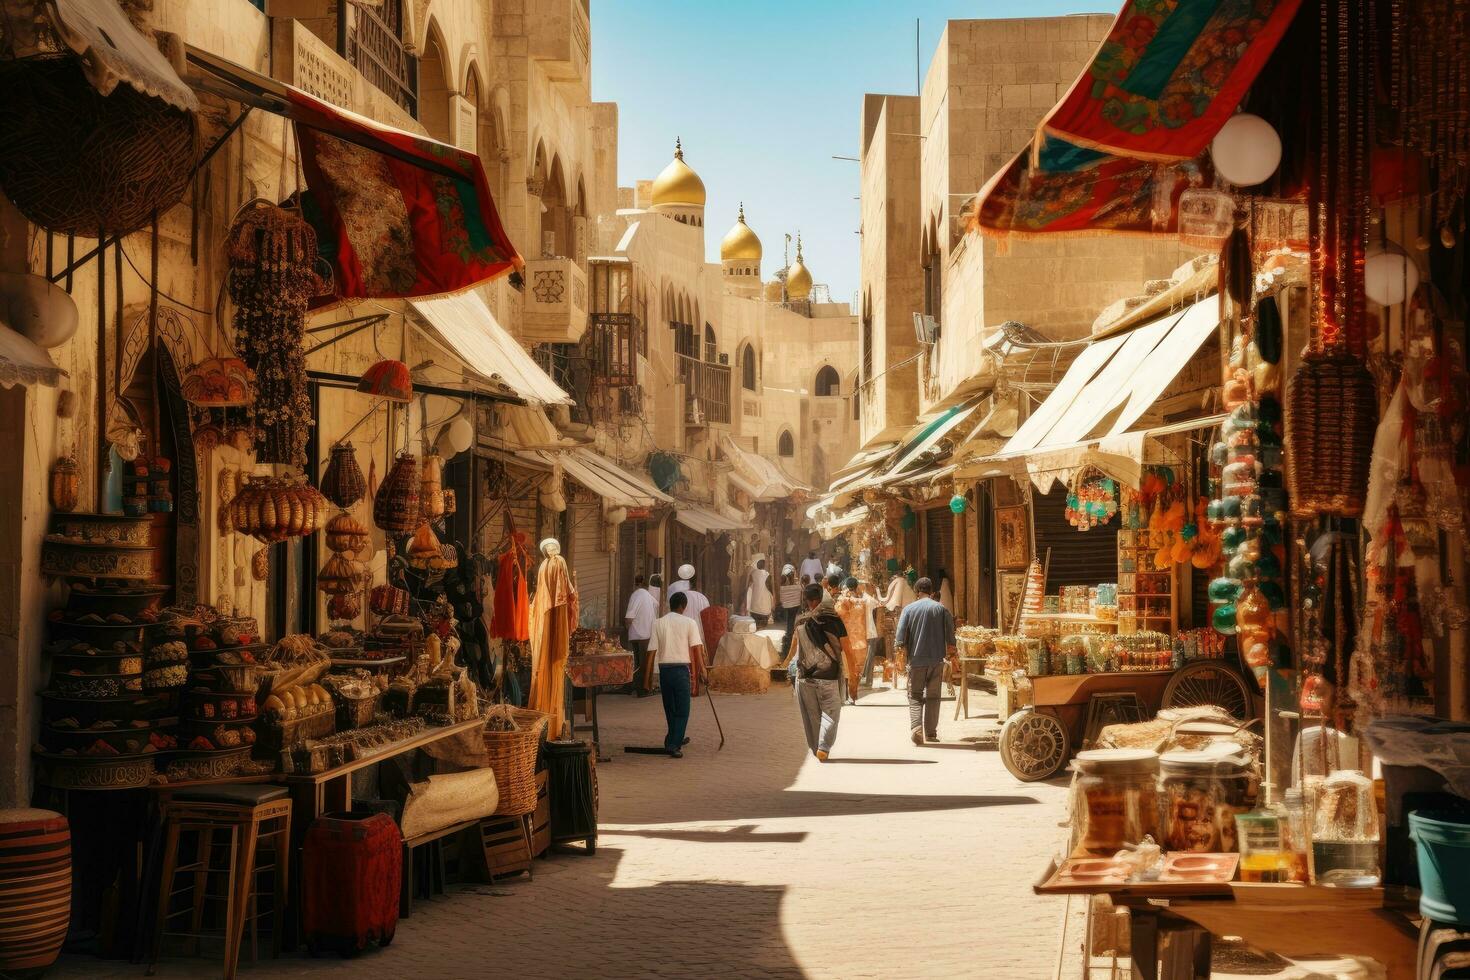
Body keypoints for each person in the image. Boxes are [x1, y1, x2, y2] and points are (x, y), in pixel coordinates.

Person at [780, 583, 846, 762]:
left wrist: (784, 664)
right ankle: (823, 747)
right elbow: (845, 647)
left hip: (804, 676)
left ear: (806, 600)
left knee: (812, 715)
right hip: (828, 676)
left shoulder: (800, 620)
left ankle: (816, 747)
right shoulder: (833, 619)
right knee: (831, 712)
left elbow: (794, 647)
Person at [893, 577, 956, 746]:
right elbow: (951, 636)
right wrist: (952, 654)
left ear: (917, 591)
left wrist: (900, 656)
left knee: (915, 695)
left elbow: (899, 637)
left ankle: (916, 729)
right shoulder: (941, 609)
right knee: (934, 696)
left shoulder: (909, 609)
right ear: (931, 591)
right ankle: (931, 732)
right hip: (937, 660)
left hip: (916, 660)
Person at [646, 591, 704, 758]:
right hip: (680, 670)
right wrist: (703, 671)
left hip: (665, 671)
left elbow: (651, 652)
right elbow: (697, 648)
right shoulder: (689, 622)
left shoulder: (658, 623)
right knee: (683, 709)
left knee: (670, 707)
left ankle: (674, 737)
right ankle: (673, 744)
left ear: (670, 605)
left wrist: (648, 678)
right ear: (683, 607)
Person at [833, 577, 876, 704]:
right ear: (857, 586)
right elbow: (875, 602)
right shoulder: (863, 601)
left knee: (847, 670)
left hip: (846, 641)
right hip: (861, 641)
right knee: (857, 670)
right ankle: (853, 694)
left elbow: (837, 612)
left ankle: (847, 695)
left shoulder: (844, 600)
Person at [623, 575, 657, 697]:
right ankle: (642, 689)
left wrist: (628, 629)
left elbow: (629, 617)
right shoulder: (647, 595)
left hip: (638, 634)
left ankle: (641, 689)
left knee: (640, 664)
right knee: (644, 664)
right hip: (645, 635)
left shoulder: (637, 595)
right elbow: (656, 605)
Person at [859, 580, 886, 690]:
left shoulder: (863, 599)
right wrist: (878, 592)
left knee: (867, 656)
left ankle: (866, 679)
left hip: (864, 631)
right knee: (870, 656)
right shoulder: (869, 599)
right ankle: (868, 679)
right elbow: (882, 603)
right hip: (870, 631)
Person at [778, 565, 802, 654]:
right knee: (792, 619)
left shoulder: (783, 584)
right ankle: (791, 634)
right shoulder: (797, 584)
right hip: (795, 605)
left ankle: (789, 634)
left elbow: (782, 594)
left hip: (787, 605)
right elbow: (800, 593)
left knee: (789, 620)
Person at [746, 558, 773, 627]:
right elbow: (770, 588)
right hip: (765, 604)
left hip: (754, 605)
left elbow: (749, 586)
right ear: (764, 566)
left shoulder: (753, 573)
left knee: (756, 622)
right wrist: (772, 599)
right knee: (763, 624)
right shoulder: (768, 575)